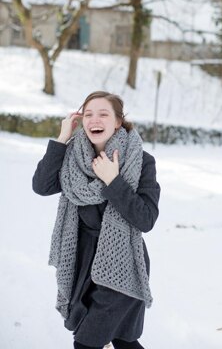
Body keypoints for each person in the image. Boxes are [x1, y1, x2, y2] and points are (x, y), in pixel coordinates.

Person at [32, 91, 160, 349]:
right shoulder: (72, 158)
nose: (94, 120)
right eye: (88, 114)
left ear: (117, 122)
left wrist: (114, 181)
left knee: (86, 343)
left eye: (103, 113)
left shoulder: (141, 161)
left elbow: (146, 218)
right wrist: (61, 138)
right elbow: (41, 186)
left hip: (122, 262)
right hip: (83, 263)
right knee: (124, 340)